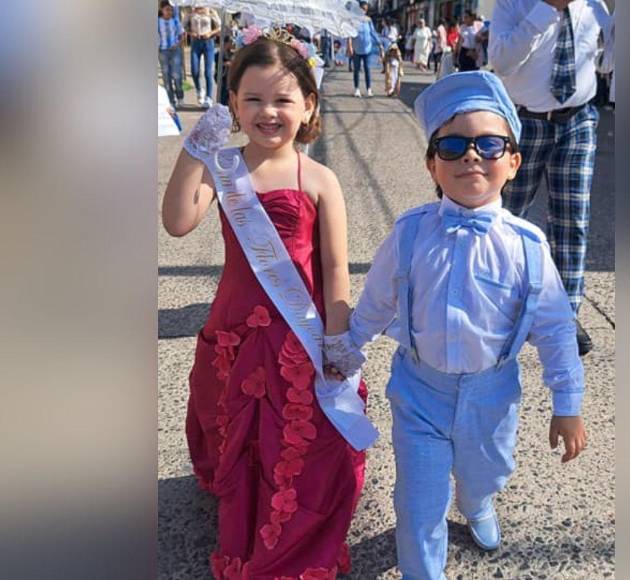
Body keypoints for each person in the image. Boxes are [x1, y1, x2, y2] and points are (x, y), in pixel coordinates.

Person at [324, 71, 587, 579]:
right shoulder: (409, 234)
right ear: (432, 164)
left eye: (490, 144)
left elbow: (555, 330)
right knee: (418, 504)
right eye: (453, 145)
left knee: (486, 473)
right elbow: (376, 305)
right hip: (419, 391)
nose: (472, 155)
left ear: (513, 162)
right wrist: (343, 354)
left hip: (493, 395)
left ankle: (478, 503)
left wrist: (568, 404)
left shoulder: (528, 247)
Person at [162, 28, 374, 578]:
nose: (268, 112)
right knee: (239, 428)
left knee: (295, 439)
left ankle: (289, 526)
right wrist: (195, 150)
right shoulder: (223, 168)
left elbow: (333, 268)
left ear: (309, 106)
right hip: (234, 329)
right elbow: (178, 223)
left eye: (282, 99)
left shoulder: (321, 178)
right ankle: (242, 507)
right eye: (252, 99)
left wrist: (337, 333)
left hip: (295, 336)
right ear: (232, 103)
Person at [489, 0, 611, 355]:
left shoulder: (594, 5)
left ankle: (564, 318)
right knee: (505, 217)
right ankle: (496, 308)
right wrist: (545, 9)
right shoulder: (513, 4)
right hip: (523, 121)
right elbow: (503, 61)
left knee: (572, 220)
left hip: (577, 119)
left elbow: (606, 62)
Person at [184, 3, 221, 108]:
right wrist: (191, 33)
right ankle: (199, 89)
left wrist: (210, 33)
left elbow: (219, 26)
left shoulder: (210, 10)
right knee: (194, 71)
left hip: (208, 42)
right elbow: (184, 27)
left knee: (208, 72)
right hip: (195, 42)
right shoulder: (191, 11)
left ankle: (208, 98)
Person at [347, 1, 382, 98]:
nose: (364, 11)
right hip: (356, 48)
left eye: (365, 9)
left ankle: (369, 89)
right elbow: (349, 33)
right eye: (362, 9)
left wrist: (379, 43)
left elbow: (373, 32)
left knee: (367, 69)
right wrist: (349, 45)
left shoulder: (368, 20)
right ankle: (357, 89)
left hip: (367, 48)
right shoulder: (353, 20)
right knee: (356, 69)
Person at [158, 0, 185, 108]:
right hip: (163, 51)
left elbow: (182, 35)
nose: (169, 12)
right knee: (166, 76)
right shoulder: (157, 21)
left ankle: (180, 97)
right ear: (162, 10)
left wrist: (178, 44)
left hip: (175, 50)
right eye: (167, 10)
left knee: (177, 74)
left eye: (171, 10)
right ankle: (171, 100)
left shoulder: (175, 21)